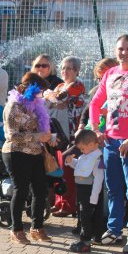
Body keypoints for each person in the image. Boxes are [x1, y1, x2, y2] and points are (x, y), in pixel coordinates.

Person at [89, 34, 128, 251]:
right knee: (113, 189)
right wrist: (96, 129)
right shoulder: (111, 74)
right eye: (120, 49)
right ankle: (114, 231)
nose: (123, 52)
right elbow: (95, 103)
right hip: (111, 141)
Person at [2, 72, 52, 245]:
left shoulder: (35, 105)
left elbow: (40, 128)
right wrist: (38, 136)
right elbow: (12, 135)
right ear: (30, 88)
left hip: (35, 152)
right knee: (21, 190)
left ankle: (37, 227)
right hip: (16, 152)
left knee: (40, 189)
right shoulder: (13, 105)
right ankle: (16, 229)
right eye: (39, 91)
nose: (41, 95)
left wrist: (48, 137)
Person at [44, 56, 86, 218]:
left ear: (76, 71)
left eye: (69, 68)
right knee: (58, 167)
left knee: (68, 169)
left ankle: (69, 205)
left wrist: (53, 97)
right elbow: (47, 97)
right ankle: (59, 201)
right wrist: (52, 97)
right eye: (63, 68)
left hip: (70, 133)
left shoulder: (77, 85)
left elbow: (59, 98)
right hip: (58, 131)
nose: (65, 71)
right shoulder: (61, 85)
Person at [65, 130, 104, 253]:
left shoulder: (97, 158)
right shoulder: (85, 155)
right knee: (82, 214)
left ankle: (86, 240)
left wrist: (94, 197)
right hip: (82, 190)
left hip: (90, 192)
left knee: (86, 215)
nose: (81, 151)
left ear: (92, 144)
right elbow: (80, 167)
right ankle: (86, 238)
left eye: (82, 148)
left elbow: (99, 179)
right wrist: (71, 162)